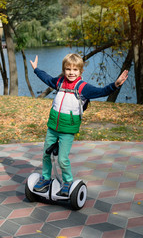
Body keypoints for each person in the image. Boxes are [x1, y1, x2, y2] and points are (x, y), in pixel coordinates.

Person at [30, 53, 128, 196]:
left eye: (75, 70)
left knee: (63, 159)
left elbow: (101, 91)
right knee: (46, 154)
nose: (71, 72)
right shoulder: (59, 83)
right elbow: (46, 78)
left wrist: (115, 85)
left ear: (81, 71)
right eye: (68, 69)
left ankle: (68, 182)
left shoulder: (82, 87)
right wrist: (36, 69)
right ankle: (45, 178)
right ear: (64, 70)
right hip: (52, 127)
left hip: (68, 130)